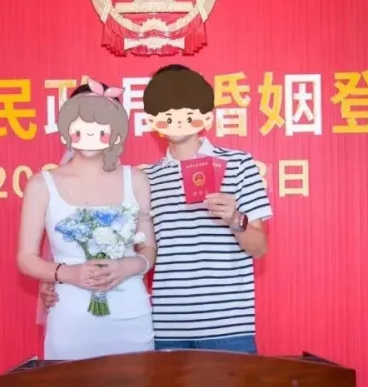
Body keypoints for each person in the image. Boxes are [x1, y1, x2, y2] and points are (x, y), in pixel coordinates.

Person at [41, 65, 272, 354]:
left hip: (228, 327)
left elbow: (259, 247)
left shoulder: (239, 164)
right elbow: (122, 245)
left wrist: (236, 219)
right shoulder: (145, 179)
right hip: (167, 328)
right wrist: (59, 276)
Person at [17, 78, 156, 360]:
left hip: (131, 314)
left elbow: (148, 249)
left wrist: (125, 266)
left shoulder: (136, 180)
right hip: (71, 317)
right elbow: (26, 258)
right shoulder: (42, 184)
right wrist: (70, 274)